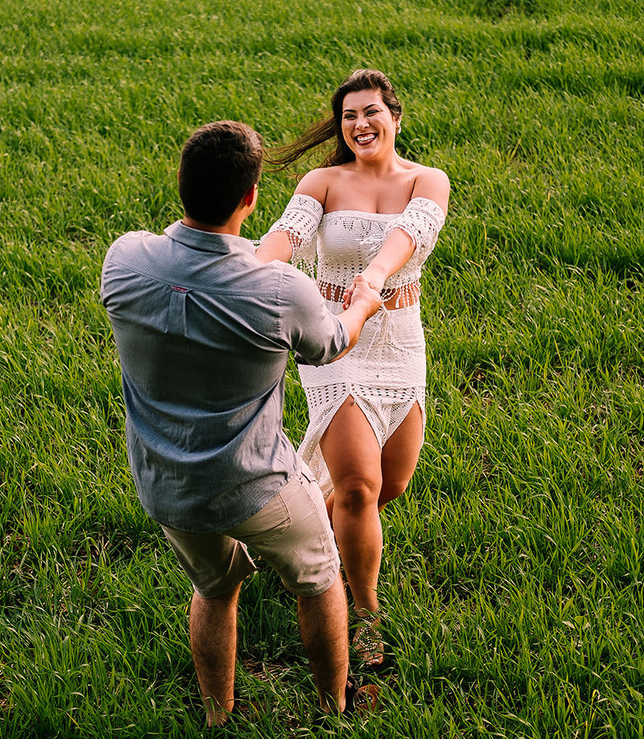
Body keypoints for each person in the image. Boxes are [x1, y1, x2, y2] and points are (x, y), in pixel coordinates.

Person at [101, 121, 384, 726]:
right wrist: (361, 301)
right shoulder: (279, 289)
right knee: (319, 578)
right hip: (258, 486)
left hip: (167, 486)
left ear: (181, 185)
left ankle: (216, 715)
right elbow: (329, 344)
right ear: (251, 197)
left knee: (213, 587)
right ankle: (335, 705)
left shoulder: (123, 259)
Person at [255, 69, 450, 670]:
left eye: (371, 112)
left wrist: (375, 277)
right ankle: (363, 618)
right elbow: (285, 238)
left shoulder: (428, 180)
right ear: (340, 126)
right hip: (335, 342)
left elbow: (408, 238)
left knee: (386, 486)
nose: (360, 124)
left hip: (400, 343)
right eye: (349, 116)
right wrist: (246, 271)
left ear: (396, 117)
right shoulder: (323, 181)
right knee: (362, 488)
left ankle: (309, 540)